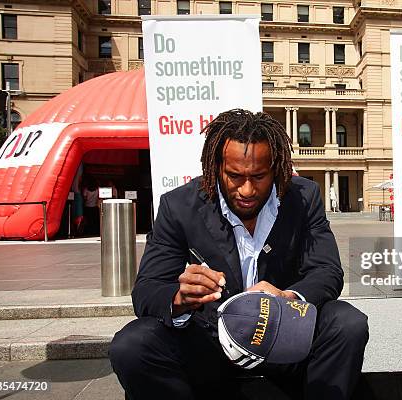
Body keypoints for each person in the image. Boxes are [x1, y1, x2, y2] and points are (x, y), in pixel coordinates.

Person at [109, 109, 369, 400]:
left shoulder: (303, 197)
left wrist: (289, 298)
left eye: (258, 176)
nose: (246, 189)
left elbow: (327, 272)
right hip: (209, 343)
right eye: (234, 176)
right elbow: (147, 290)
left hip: (285, 338)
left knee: (348, 323)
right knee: (131, 345)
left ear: (277, 167)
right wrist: (180, 298)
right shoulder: (178, 206)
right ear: (216, 167)